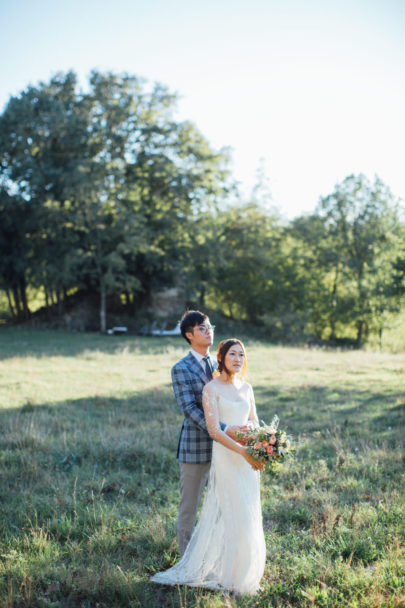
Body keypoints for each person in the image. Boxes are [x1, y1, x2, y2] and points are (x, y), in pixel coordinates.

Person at [152, 338, 266, 595]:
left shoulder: (247, 388)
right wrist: (244, 451)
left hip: (249, 458)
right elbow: (214, 431)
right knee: (231, 512)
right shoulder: (211, 389)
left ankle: (244, 574)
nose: (238, 359)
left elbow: (254, 422)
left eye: (241, 355)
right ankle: (228, 575)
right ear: (222, 357)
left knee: (248, 513)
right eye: (233, 354)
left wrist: (264, 444)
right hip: (228, 455)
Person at [168, 310, 250, 557]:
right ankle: (186, 559)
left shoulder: (220, 363)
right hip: (196, 447)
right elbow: (190, 410)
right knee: (189, 507)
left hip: (225, 449)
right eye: (202, 328)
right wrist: (224, 429)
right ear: (189, 335)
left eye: (209, 326)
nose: (208, 330)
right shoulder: (181, 368)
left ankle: (217, 557)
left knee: (222, 505)